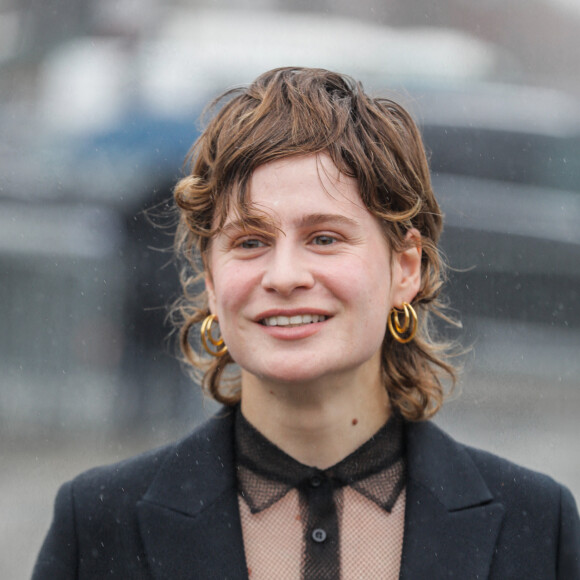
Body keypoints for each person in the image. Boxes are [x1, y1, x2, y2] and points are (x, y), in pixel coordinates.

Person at [33, 67, 579, 579]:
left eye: (324, 238)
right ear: (211, 281)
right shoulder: (99, 526)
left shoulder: (536, 526)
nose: (285, 275)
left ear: (405, 267)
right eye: (250, 242)